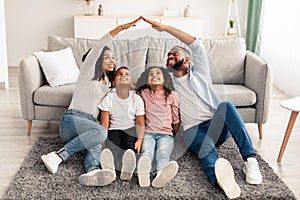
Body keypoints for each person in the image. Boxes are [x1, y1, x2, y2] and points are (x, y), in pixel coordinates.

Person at [142, 16, 262, 199]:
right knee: (206, 149)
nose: (170, 56)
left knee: (227, 106)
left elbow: (196, 44)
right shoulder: (167, 83)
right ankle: (220, 180)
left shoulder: (201, 73)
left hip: (215, 125)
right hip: (192, 130)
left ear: (188, 60)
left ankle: (250, 160)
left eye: (175, 53)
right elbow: (144, 83)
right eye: (168, 55)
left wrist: (165, 27)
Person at [40, 17, 142, 187]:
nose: (112, 61)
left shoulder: (109, 85)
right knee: (102, 133)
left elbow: (127, 86)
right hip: (72, 121)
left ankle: (92, 171)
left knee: (96, 145)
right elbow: (99, 46)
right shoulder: (88, 73)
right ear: (97, 60)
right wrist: (120, 28)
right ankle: (58, 156)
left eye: (113, 58)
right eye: (107, 57)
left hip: (89, 128)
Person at [135, 66, 180, 188]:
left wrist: (177, 137)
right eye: (151, 74)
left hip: (166, 134)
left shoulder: (172, 95)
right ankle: (143, 172)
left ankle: (160, 173)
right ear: (147, 81)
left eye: (158, 73)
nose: (154, 75)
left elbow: (175, 119)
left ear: (165, 79)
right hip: (148, 133)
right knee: (146, 152)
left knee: (163, 154)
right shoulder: (143, 93)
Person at [98, 66, 145, 181]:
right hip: (114, 130)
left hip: (131, 129)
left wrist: (139, 140)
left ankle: (127, 168)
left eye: (127, 74)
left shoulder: (136, 99)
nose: (124, 75)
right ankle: (110, 168)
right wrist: (103, 141)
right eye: (120, 74)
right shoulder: (109, 98)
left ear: (131, 83)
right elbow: (104, 123)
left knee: (130, 147)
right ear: (114, 82)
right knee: (112, 147)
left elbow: (140, 123)